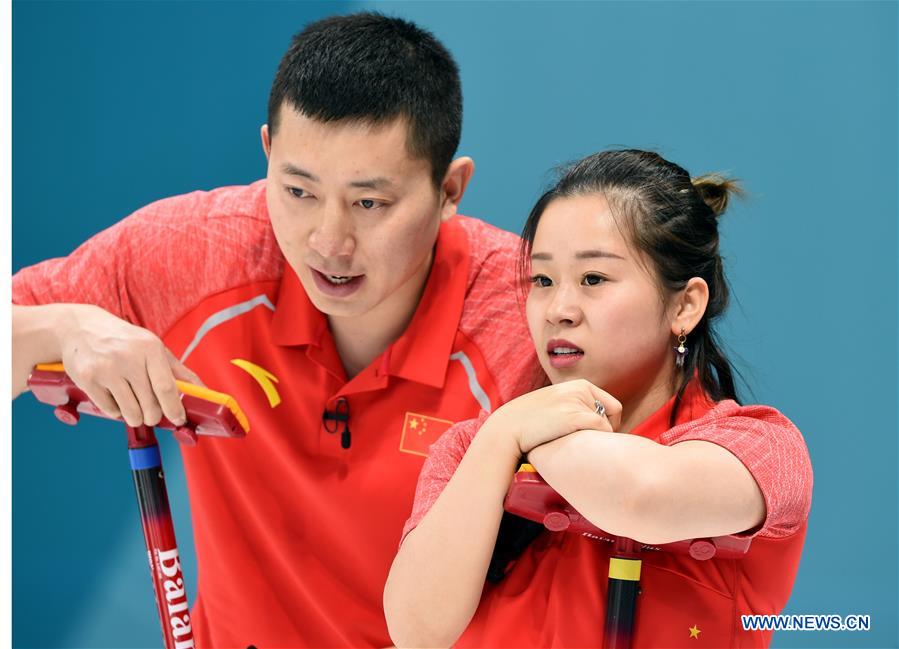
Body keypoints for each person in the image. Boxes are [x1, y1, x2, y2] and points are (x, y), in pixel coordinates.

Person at [11, 13, 540, 647]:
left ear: (451, 189)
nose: (328, 241)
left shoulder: (529, 313)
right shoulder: (196, 253)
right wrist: (63, 326)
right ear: (266, 154)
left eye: (370, 203)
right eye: (297, 189)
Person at [384, 149, 813, 648]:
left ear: (685, 304)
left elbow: (638, 497)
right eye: (542, 280)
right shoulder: (472, 447)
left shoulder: (760, 446)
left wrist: (517, 435)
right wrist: (502, 435)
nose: (558, 309)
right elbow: (415, 630)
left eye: (593, 279)